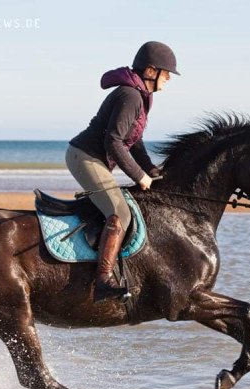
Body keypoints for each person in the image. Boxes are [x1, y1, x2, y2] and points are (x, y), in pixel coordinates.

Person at [66, 41, 179, 303]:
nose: (170, 78)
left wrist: (150, 169)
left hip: (93, 158)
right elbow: (114, 142)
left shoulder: (140, 95)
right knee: (120, 213)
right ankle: (103, 280)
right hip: (84, 157)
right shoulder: (131, 96)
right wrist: (139, 176)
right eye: (167, 72)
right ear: (151, 71)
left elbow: (133, 140)